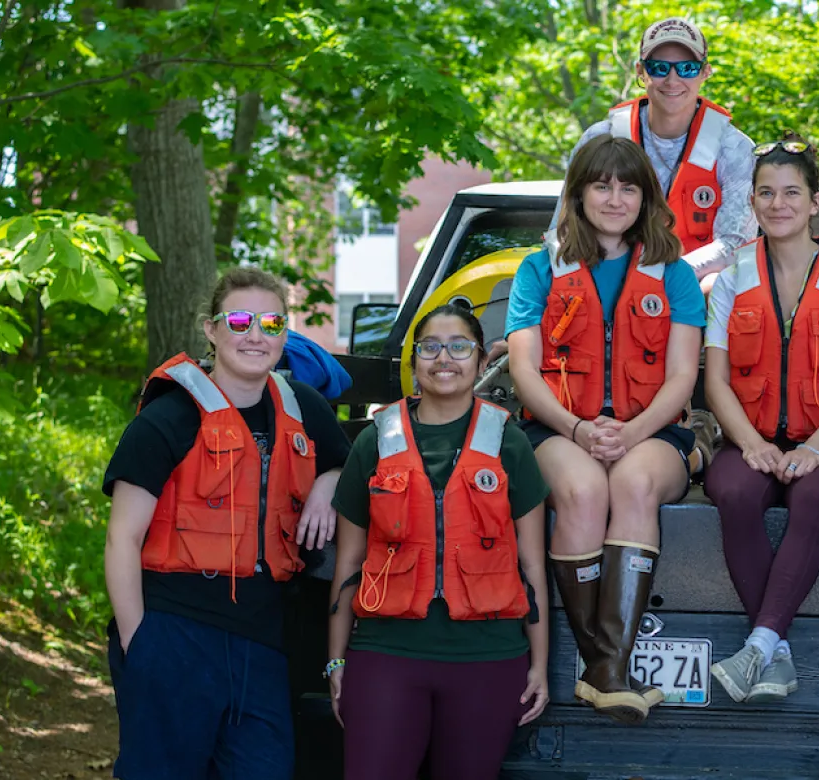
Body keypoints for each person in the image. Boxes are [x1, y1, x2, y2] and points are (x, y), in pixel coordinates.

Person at [102, 268, 349, 779]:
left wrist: (328, 483)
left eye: (271, 322)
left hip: (264, 643)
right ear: (211, 330)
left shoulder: (304, 408)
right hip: (175, 633)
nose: (255, 334)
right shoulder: (168, 418)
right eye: (239, 321)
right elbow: (122, 537)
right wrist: (138, 643)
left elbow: (350, 464)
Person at [507, 134, 705, 724]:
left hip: (652, 430)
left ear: (645, 198)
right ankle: (608, 669)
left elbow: (682, 375)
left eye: (628, 187)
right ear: (578, 194)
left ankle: (605, 668)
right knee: (583, 489)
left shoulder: (674, 275)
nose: (615, 198)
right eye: (601, 185)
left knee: (633, 484)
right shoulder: (539, 270)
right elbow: (524, 369)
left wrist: (632, 432)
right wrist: (576, 429)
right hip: (558, 428)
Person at [702, 133, 819, 703]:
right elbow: (716, 381)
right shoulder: (732, 277)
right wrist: (751, 444)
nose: (778, 203)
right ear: (752, 202)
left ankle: (759, 644)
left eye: (791, 192)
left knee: (811, 497)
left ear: (815, 202)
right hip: (752, 436)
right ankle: (775, 652)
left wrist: (814, 448)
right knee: (732, 491)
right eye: (766, 193)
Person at [324, 305, 550, 778]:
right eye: (430, 347)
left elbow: (532, 566)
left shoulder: (509, 443)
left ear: (481, 360)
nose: (444, 358)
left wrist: (540, 664)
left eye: (459, 347)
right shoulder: (375, 441)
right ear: (414, 362)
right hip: (386, 655)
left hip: (489, 658)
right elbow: (349, 563)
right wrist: (336, 659)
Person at [554, 16, 758, 283]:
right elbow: (564, 230)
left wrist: (660, 278)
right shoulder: (601, 138)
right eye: (659, 68)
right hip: (606, 281)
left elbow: (735, 244)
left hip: (692, 287)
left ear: (705, 72)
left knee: (718, 283)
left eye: (687, 69)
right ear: (641, 71)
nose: (672, 80)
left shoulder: (734, 148)